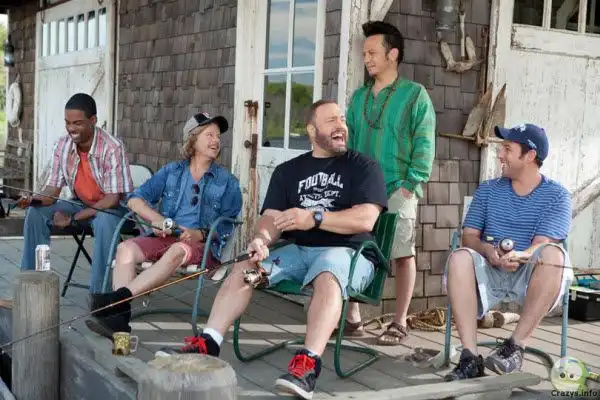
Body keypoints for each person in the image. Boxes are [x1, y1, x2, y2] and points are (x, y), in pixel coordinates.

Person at [153, 100, 388, 400]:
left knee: (328, 271)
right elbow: (271, 219)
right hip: (298, 251)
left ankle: (307, 365)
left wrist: (314, 217)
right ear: (312, 130)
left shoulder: (364, 167)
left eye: (342, 119)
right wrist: (261, 240)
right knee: (245, 266)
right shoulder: (289, 171)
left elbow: (365, 218)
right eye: (331, 120)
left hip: (349, 253)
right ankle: (208, 343)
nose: (341, 125)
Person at [85, 112, 243, 338]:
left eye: (218, 136)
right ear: (192, 139)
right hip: (166, 237)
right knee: (125, 249)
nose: (216, 141)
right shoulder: (172, 172)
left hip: (202, 247)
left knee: (177, 250)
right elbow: (135, 199)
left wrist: (199, 234)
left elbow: (227, 226)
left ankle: (116, 301)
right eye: (209, 135)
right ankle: (119, 322)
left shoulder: (227, 182)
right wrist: (156, 220)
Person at [444, 123, 572, 381]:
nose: (500, 155)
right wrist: (487, 250)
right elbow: (469, 236)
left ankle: (515, 347)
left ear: (530, 156)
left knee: (553, 255)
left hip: (529, 273)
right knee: (459, 257)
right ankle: (470, 358)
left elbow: (542, 244)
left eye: (507, 149)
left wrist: (522, 254)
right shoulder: (488, 189)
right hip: (488, 269)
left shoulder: (557, 196)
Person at [344, 20, 436, 343]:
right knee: (356, 247)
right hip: (361, 189)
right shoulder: (358, 98)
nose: (366, 58)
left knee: (402, 253)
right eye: (364, 53)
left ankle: (399, 321)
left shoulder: (415, 95)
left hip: (399, 186)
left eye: (372, 52)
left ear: (392, 54)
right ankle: (353, 317)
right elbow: (349, 143)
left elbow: (424, 144)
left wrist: (411, 185)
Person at [17, 93, 133, 304]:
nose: (71, 128)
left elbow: (112, 199)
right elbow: (52, 191)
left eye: (77, 123)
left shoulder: (112, 147)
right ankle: (33, 282)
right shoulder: (63, 145)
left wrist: (73, 219)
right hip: (80, 204)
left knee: (105, 220)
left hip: (114, 211)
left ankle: (100, 297)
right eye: (67, 123)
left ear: (93, 120)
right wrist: (33, 200)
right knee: (35, 213)